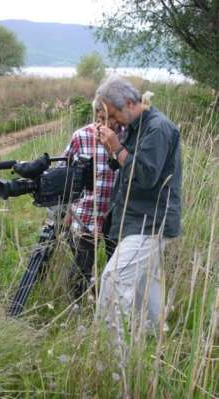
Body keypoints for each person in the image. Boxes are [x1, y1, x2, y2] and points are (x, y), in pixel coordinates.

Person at [93, 76, 182, 334]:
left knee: (113, 279)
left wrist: (116, 146)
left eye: (114, 114)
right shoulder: (135, 127)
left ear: (130, 103)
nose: (113, 122)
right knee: (146, 285)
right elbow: (125, 166)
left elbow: (145, 176)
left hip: (150, 221)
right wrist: (114, 149)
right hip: (138, 219)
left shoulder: (157, 128)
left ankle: (111, 357)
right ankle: (154, 341)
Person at [61, 106, 123, 300]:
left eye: (112, 118)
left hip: (117, 214)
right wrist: (68, 212)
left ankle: (111, 303)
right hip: (86, 213)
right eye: (102, 118)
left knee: (117, 263)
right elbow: (65, 172)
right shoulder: (81, 136)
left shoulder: (128, 137)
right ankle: (76, 306)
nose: (107, 124)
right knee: (82, 264)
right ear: (96, 114)